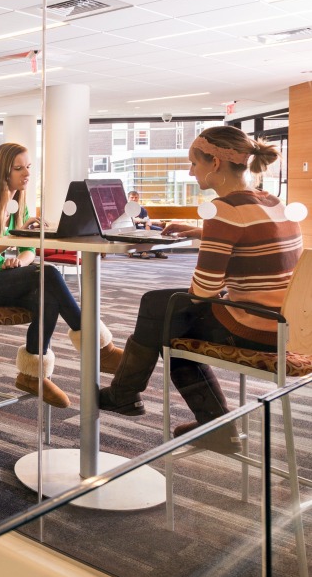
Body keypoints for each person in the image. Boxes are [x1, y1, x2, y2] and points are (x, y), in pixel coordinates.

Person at [99, 126, 303, 452]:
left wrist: (210, 234)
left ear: (216, 165)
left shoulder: (225, 212)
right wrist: (200, 231)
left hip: (256, 325)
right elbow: (251, 240)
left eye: (194, 163)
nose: (191, 171)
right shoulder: (275, 203)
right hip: (290, 322)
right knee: (168, 318)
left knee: (162, 312)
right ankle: (209, 423)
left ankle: (125, 394)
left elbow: (204, 291)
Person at [0, 142, 122, 408]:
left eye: (28, 167)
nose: (26, 173)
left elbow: (29, 251)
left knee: (46, 294)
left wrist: (18, 260)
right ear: (1, 171)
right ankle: (98, 347)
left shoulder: (19, 201)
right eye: (18, 168)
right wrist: (12, 239)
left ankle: (32, 375)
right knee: (50, 273)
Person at [127, 190, 167, 259]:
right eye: (132, 197)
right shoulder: (126, 209)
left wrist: (147, 225)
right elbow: (131, 219)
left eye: (136, 197)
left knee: (160, 230)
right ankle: (142, 252)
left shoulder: (142, 209)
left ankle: (158, 251)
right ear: (128, 198)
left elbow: (147, 219)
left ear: (138, 198)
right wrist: (141, 221)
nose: (134, 199)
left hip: (144, 226)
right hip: (133, 228)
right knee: (142, 232)